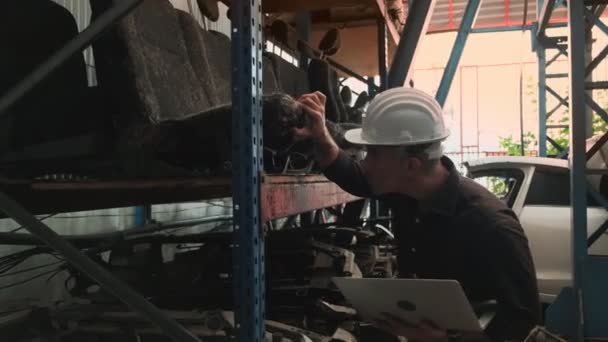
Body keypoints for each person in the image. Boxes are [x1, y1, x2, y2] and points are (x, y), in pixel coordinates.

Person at [293, 88, 541, 342]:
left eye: (373, 154)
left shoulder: (490, 225)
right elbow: (353, 177)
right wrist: (320, 135)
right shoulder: (407, 192)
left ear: (412, 165)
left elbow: (523, 325)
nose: (364, 162)